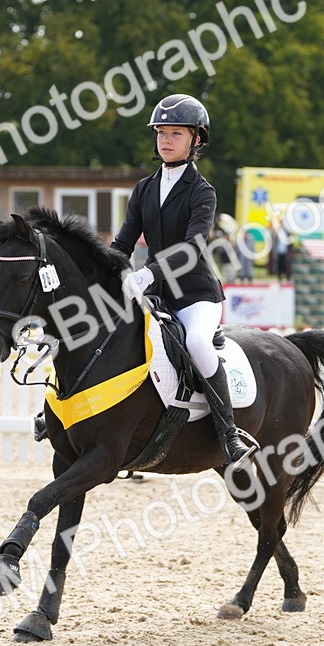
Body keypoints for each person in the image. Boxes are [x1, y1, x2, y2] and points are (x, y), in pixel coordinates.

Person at [111, 93, 254, 470]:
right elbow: (123, 243)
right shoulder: (144, 188)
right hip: (156, 293)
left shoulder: (202, 191)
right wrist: (103, 270)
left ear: (196, 140)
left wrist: (149, 272)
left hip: (195, 295)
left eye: (176, 133)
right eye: (161, 132)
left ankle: (229, 434)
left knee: (197, 343)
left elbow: (192, 248)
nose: (166, 140)